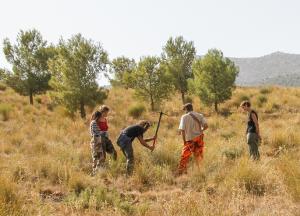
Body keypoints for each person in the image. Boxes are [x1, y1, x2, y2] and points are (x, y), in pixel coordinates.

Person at [177, 103, 208, 175]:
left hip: (189, 140)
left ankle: (181, 172)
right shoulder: (200, 115)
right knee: (199, 156)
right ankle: (200, 171)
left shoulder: (184, 117)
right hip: (199, 138)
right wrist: (201, 130)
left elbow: (182, 130)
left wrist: (184, 141)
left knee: (184, 156)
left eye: (184, 110)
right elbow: (206, 126)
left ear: (186, 109)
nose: (184, 111)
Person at [90, 110, 105, 175]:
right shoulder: (94, 123)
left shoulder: (93, 122)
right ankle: (95, 172)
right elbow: (97, 132)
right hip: (96, 140)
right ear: (98, 117)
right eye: (100, 116)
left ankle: (95, 172)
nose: (101, 118)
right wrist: (104, 132)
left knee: (96, 156)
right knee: (99, 157)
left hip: (95, 140)